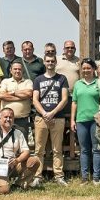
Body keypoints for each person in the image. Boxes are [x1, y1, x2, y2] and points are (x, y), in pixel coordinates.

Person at [0, 108, 41, 194]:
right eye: (5, 117)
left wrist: (17, 160)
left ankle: (18, 185)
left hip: (12, 165)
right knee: (4, 190)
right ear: (0, 118)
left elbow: (26, 151)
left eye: (11, 117)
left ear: (13, 119)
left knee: (34, 161)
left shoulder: (18, 132)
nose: (8, 119)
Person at [31, 49, 69, 187]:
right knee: (39, 150)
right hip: (41, 118)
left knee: (57, 149)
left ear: (56, 62)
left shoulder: (62, 79)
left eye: (52, 61)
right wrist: (44, 114)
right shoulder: (38, 79)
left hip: (57, 117)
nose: (50, 63)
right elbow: (35, 100)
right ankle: (37, 176)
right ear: (44, 62)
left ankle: (59, 176)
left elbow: (64, 99)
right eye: (48, 61)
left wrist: (52, 113)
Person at [70, 58, 100, 184]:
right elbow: (74, 102)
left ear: (93, 69)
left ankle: (96, 177)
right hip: (81, 120)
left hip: (95, 120)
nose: (86, 70)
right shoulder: (77, 84)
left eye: (88, 68)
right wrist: (72, 120)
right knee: (84, 150)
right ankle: (85, 177)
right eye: (84, 68)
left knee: (96, 149)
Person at [0, 62, 34, 137]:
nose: (17, 71)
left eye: (19, 69)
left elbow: (29, 94)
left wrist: (13, 92)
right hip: (6, 120)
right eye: (15, 69)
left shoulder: (28, 82)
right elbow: (1, 95)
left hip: (22, 120)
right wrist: (22, 97)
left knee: (22, 144)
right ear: (11, 70)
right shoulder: (5, 81)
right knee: (5, 144)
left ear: (23, 71)